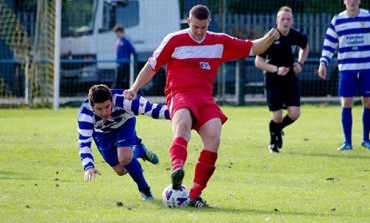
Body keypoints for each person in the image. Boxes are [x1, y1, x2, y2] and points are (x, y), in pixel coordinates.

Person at [124, 4, 280, 208]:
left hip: (205, 99)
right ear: (188, 21)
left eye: (203, 27)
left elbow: (253, 47)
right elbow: (152, 65)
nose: (199, 31)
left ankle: (195, 195)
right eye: (195, 26)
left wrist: (271, 36)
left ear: (209, 24)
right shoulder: (174, 40)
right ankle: (177, 170)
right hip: (179, 94)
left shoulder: (219, 42)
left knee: (214, 137)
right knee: (182, 127)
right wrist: (135, 87)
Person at [77, 84, 170, 200]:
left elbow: (153, 110)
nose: (105, 112)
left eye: (107, 106)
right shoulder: (85, 114)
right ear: (92, 106)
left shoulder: (125, 99)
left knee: (124, 157)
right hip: (102, 134)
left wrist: (180, 114)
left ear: (112, 100)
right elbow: (84, 143)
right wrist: (88, 167)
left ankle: (145, 190)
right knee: (121, 170)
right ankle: (139, 151)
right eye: (99, 109)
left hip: (124, 125)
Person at [255, 6, 309, 153]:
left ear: (292, 21)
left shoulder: (295, 35)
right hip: (273, 79)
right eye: (283, 19)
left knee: (294, 114)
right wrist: (276, 70)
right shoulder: (270, 37)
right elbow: (258, 62)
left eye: (288, 19)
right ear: (277, 20)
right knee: (277, 115)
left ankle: (278, 130)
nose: (285, 21)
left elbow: (305, 47)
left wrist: (300, 63)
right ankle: (273, 142)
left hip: (290, 78)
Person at [317, 0, 370, 151]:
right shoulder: (337, 20)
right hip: (347, 69)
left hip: (367, 68)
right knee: (346, 103)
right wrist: (323, 62)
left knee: (368, 102)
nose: (352, 1)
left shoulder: (368, 17)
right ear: (344, 1)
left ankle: (366, 139)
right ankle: (347, 142)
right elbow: (329, 43)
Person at [112, 25, 137, 89]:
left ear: (122, 32)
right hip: (119, 65)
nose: (117, 35)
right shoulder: (118, 42)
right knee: (117, 81)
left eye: (118, 33)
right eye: (116, 33)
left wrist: (132, 62)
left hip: (126, 64)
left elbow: (133, 51)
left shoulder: (126, 41)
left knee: (126, 81)